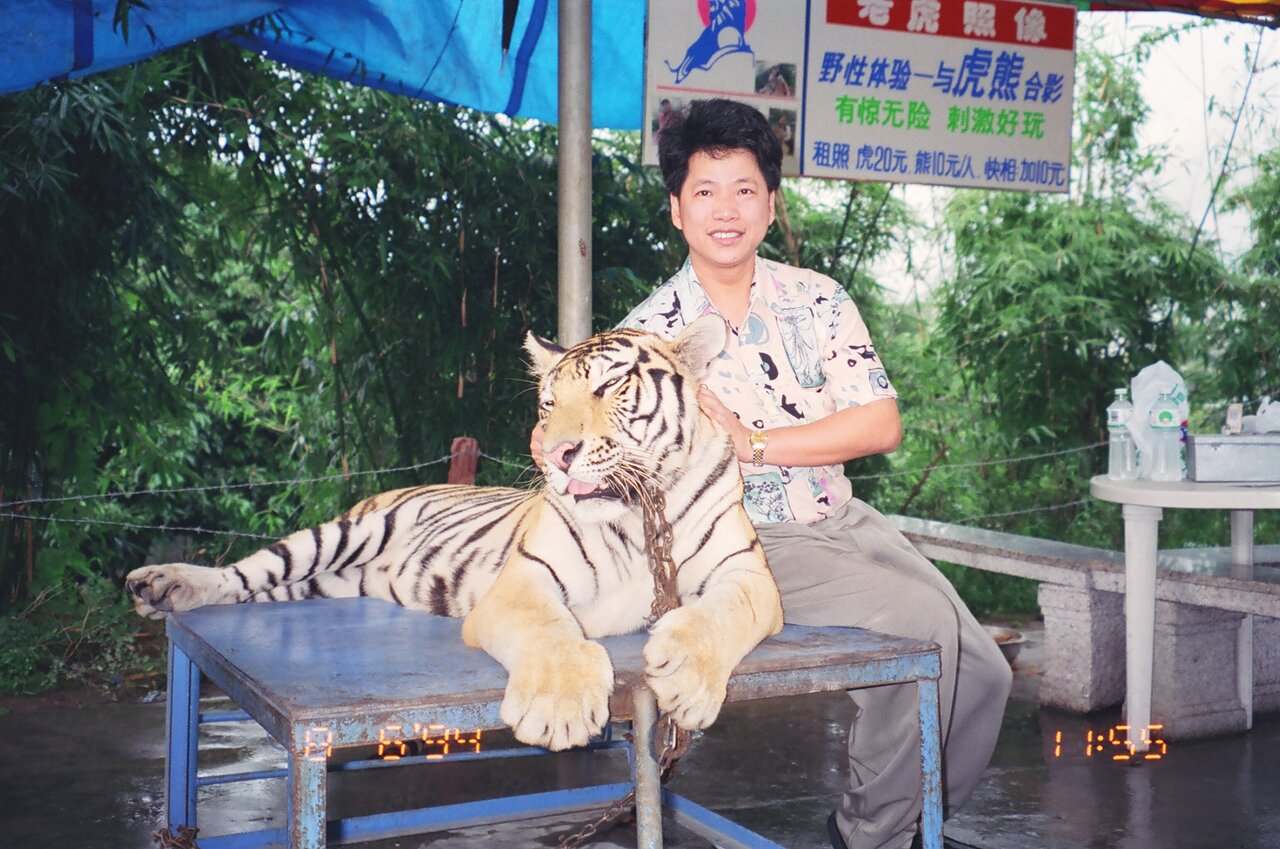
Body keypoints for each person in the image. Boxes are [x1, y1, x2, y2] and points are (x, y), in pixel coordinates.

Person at [534, 98, 1011, 849]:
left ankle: (914, 816)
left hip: (842, 517)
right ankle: (872, 834)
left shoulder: (817, 298)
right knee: (924, 625)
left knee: (985, 670)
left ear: (770, 201)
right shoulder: (645, 339)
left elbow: (880, 424)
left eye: (744, 189)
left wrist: (752, 441)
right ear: (677, 209)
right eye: (704, 190)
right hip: (744, 542)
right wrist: (555, 443)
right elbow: (592, 441)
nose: (725, 209)